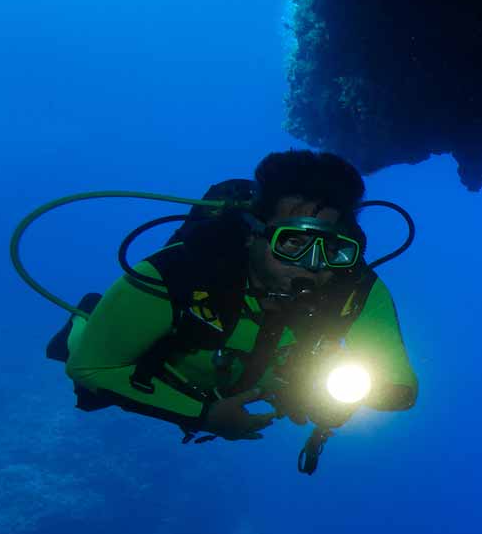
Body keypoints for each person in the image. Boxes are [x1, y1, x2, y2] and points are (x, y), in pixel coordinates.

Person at [60, 150, 417, 446]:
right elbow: (90, 367)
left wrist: (337, 398)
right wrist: (203, 416)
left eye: (332, 249)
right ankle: (88, 317)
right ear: (253, 236)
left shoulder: (354, 286)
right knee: (87, 382)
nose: (311, 267)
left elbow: (400, 388)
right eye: (292, 243)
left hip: (252, 379)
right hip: (167, 376)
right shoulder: (177, 273)